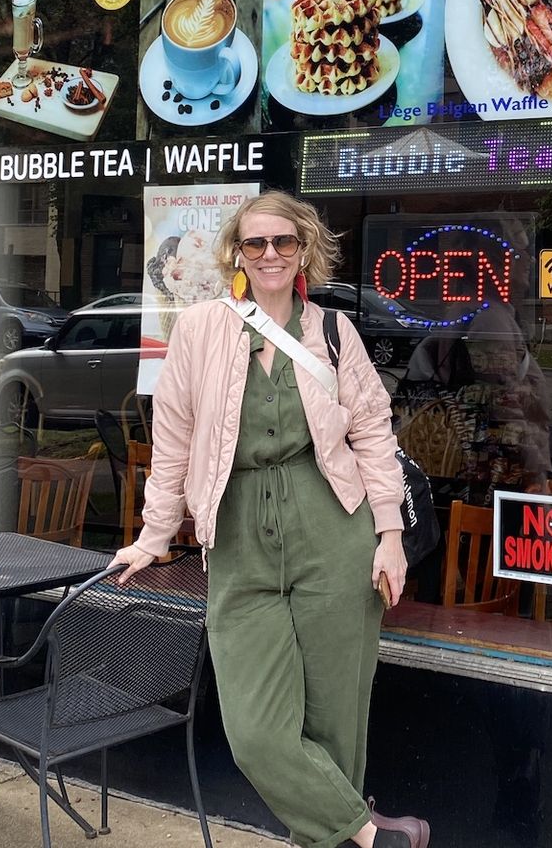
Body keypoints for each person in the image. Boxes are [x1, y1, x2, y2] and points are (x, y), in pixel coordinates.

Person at [114, 190, 430, 848]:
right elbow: (171, 441)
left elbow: (373, 436)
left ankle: (339, 839)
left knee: (336, 723)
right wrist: (152, 535)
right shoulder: (199, 329)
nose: (269, 254)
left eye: (283, 242)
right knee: (258, 733)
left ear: (305, 251)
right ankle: (370, 836)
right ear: (236, 254)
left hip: (335, 533)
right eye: (254, 243)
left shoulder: (335, 333)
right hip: (239, 542)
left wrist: (391, 538)